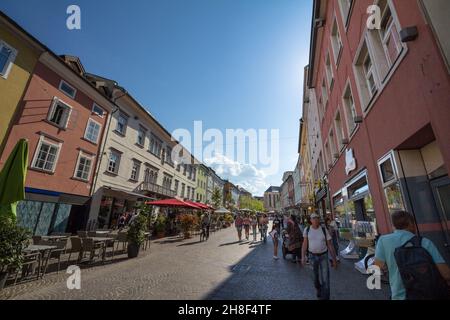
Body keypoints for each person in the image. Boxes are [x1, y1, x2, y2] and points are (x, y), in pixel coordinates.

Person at [374, 210, 450, 300]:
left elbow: (377, 267)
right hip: (429, 295)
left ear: (393, 225)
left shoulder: (383, 241)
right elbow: (446, 274)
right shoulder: (424, 242)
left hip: (400, 296)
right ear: (411, 223)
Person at [302, 213, 338, 300]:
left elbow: (330, 244)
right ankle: (318, 289)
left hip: (323, 256)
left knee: (325, 278)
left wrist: (334, 259)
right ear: (310, 220)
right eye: (314, 218)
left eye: (317, 218)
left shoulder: (323, 230)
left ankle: (325, 297)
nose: (316, 219)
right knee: (314, 278)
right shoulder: (307, 230)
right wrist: (303, 257)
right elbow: (304, 244)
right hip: (312, 256)